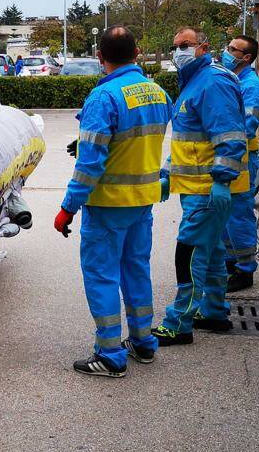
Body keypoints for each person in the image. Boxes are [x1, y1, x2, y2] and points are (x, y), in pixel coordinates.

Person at [54, 25, 171, 377]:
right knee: (136, 270)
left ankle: (109, 355)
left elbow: (90, 166)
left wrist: (67, 208)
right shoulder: (157, 93)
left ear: (100, 58)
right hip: (142, 203)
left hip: (107, 205)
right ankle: (143, 342)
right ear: (137, 54)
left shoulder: (103, 98)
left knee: (102, 276)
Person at [152, 27, 247, 346]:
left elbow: (230, 138)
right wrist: (167, 171)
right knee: (213, 251)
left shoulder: (213, 82)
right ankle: (214, 311)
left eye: (186, 45)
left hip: (207, 189)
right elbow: (187, 139)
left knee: (189, 253)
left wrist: (221, 181)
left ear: (203, 47)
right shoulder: (196, 81)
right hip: (196, 189)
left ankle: (178, 322)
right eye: (175, 45)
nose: (178, 50)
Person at [221, 34, 259, 292]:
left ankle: (246, 269)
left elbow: (246, 128)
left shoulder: (252, 87)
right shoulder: (233, 80)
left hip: (242, 157)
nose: (227, 52)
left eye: (232, 49)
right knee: (227, 212)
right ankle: (231, 260)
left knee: (239, 214)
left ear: (246, 57)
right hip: (232, 155)